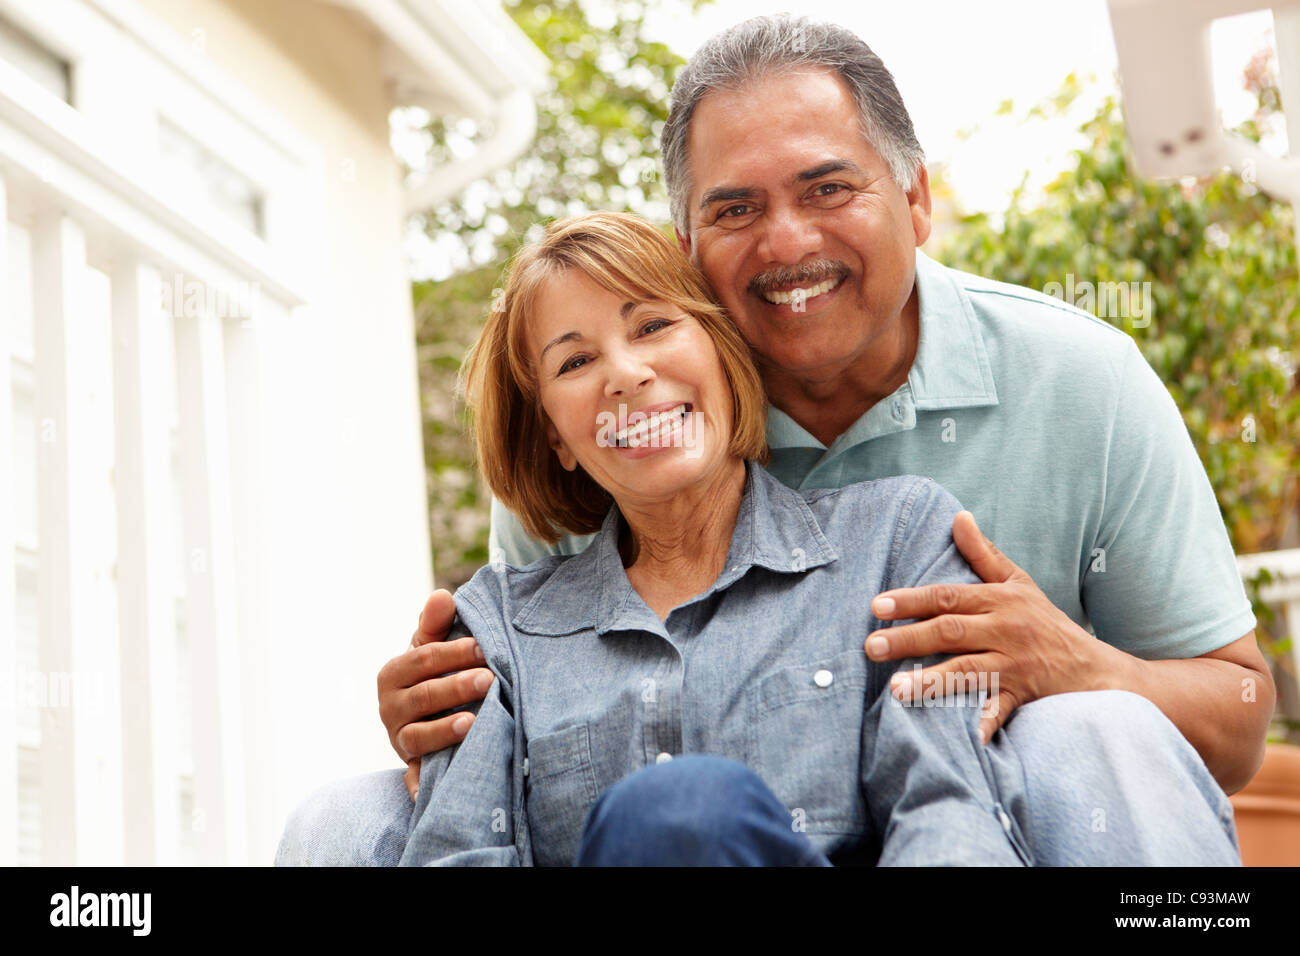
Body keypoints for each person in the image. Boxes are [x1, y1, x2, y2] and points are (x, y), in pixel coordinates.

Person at [281, 15, 1264, 866]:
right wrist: (453, 722)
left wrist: (1078, 662)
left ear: (916, 201)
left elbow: (1232, 711)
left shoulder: (1065, 387)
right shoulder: (593, 474)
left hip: (992, 814)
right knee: (349, 815)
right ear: (688, 251)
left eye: (828, 188)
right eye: (735, 208)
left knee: (1086, 729)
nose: (786, 240)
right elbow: (497, 769)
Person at [403, 210, 1034, 866]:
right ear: (556, 435)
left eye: (652, 325)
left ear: (722, 350)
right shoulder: (493, 631)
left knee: (689, 806)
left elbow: (951, 810)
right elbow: (455, 856)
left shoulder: (900, 541)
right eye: (576, 361)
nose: (625, 374)